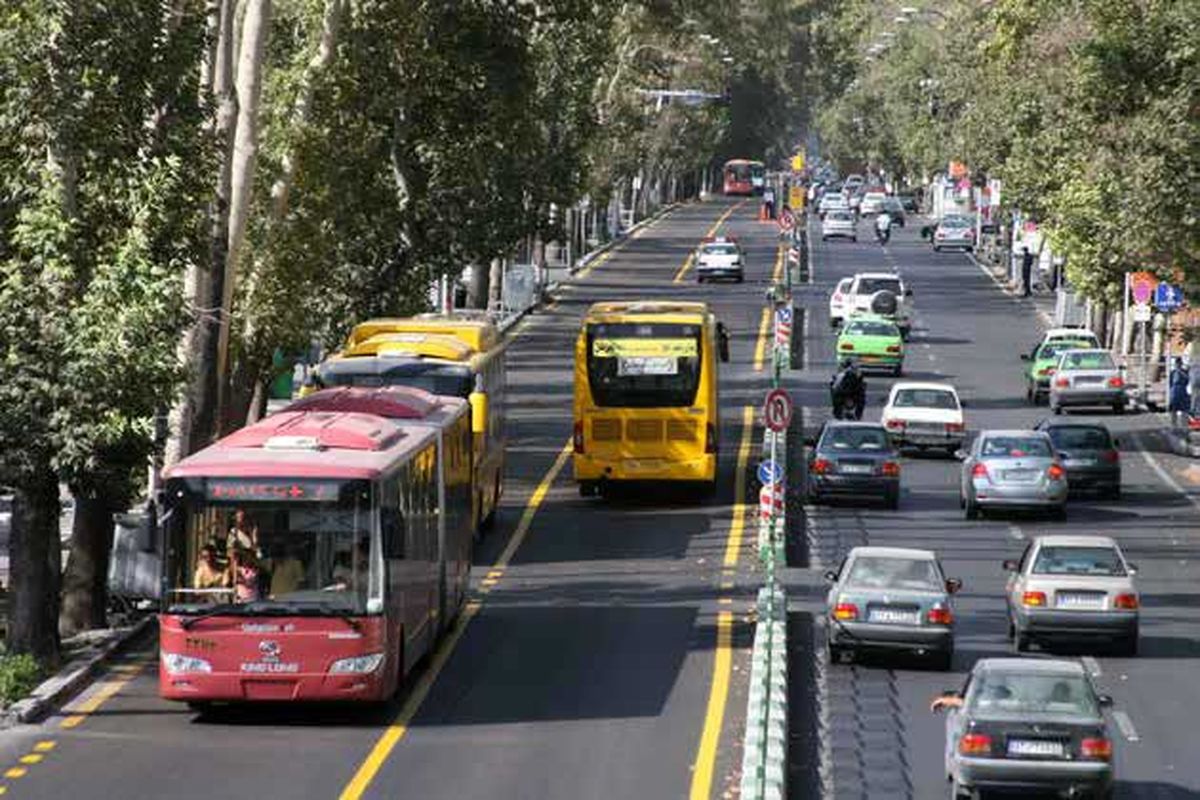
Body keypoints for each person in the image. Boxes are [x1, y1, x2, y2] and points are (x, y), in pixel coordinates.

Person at [1169, 357, 1190, 427]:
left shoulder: (1184, 372)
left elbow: (1187, 380)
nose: (1178, 365)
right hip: (1175, 390)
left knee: (1184, 409)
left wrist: (1180, 372)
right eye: (1177, 363)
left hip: (1182, 390)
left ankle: (1184, 425)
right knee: (1173, 409)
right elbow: (1170, 383)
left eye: (1179, 363)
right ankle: (1173, 425)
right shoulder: (1173, 372)